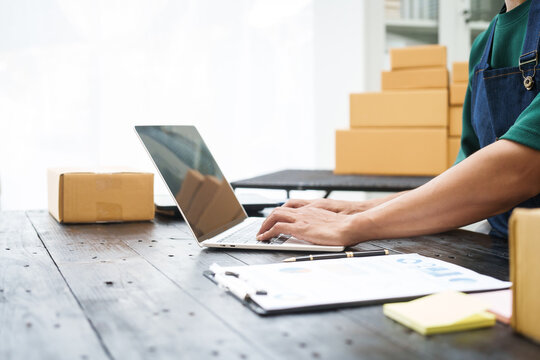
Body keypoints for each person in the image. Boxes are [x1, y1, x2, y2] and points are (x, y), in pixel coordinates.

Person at [257, 0, 540, 246]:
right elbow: (462, 189)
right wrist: (353, 209)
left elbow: (519, 169)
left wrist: (356, 225)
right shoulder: (482, 48)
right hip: (504, 251)